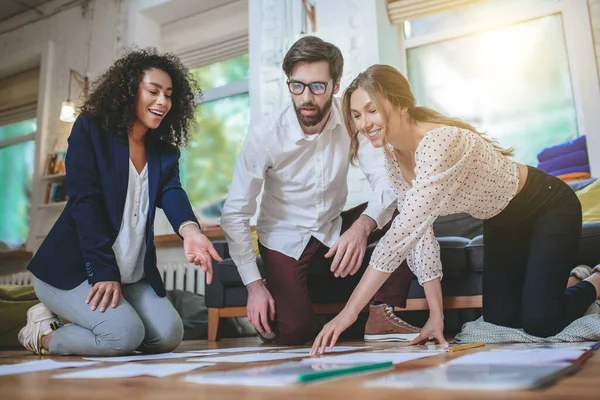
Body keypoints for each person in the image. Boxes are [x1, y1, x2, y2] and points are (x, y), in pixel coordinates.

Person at [311, 64, 600, 354]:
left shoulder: (438, 142)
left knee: (541, 322)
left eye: (372, 110)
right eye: (356, 115)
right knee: (502, 320)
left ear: (399, 103)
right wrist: (436, 317)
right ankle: (568, 280)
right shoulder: (392, 158)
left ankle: (594, 279)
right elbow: (418, 236)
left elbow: (398, 238)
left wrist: (348, 314)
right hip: (501, 220)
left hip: (547, 207)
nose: (364, 124)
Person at [18, 48, 222, 356]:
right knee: (122, 336)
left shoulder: (164, 151)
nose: (162, 102)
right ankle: (43, 333)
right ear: (128, 92)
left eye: (168, 94)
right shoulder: (90, 130)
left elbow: (172, 191)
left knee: (168, 335)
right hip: (72, 270)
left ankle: (102, 323)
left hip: (130, 275)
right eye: (153, 91)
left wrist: (191, 230)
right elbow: (85, 205)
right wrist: (103, 273)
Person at [220, 36, 419, 346]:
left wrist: (363, 226)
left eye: (317, 87)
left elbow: (386, 178)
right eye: (296, 86)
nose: (305, 98)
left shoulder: (352, 123)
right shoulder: (263, 137)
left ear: (335, 85)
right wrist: (254, 286)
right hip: (284, 238)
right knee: (295, 334)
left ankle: (380, 315)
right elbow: (235, 213)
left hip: (332, 228)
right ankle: (327, 323)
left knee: (411, 206)